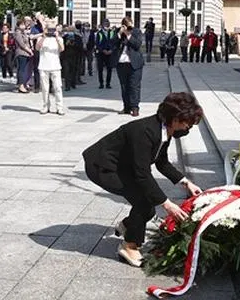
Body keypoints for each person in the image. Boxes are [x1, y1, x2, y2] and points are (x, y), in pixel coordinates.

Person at [82, 92, 204, 267]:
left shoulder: (164, 130)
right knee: (144, 202)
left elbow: (161, 162)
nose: (188, 129)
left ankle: (126, 226)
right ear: (175, 119)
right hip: (102, 166)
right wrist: (167, 204)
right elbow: (143, 174)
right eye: (187, 124)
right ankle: (129, 245)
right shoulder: (145, 131)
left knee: (147, 207)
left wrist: (186, 182)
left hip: (123, 166)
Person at [115, 16, 144, 116]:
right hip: (121, 63)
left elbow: (137, 45)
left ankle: (135, 108)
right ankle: (126, 107)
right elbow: (112, 44)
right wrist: (119, 34)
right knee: (124, 86)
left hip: (135, 64)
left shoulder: (137, 32)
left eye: (129, 25)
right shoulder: (118, 32)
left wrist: (128, 35)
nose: (127, 27)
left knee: (134, 86)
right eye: (125, 25)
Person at [36, 18, 65, 115]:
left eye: (52, 30)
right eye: (49, 29)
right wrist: (43, 36)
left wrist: (57, 37)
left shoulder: (59, 38)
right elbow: (37, 47)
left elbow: (62, 49)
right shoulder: (41, 38)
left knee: (57, 87)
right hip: (43, 66)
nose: (50, 32)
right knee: (45, 88)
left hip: (55, 66)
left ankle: (59, 107)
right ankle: (45, 106)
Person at [95, 19, 117, 89]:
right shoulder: (99, 33)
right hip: (101, 53)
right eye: (105, 24)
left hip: (110, 53)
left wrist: (111, 50)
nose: (106, 25)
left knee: (109, 69)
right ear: (102, 25)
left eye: (107, 24)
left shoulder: (112, 33)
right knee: (100, 69)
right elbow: (97, 44)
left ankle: (108, 83)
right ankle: (101, 83)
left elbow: (115, 43)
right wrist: (103, 50)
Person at [14, 20, 34, 93]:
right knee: (21, 69)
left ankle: (24, 84)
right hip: (21, 53)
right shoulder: (17, 33)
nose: (23, 26)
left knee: (25, 69)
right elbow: (22, 44)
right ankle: (21, 85)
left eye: (24, 24)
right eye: (21, 25)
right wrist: (29, 50)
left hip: (26, 53)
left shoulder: (23, 32)